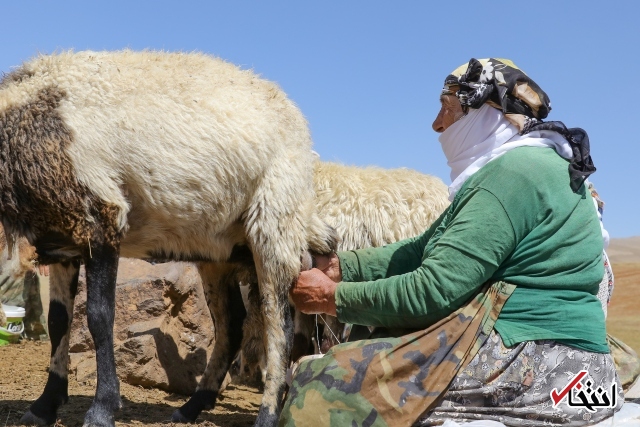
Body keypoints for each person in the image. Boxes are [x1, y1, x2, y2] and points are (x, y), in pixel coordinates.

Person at [280, 58, 623, 427]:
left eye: (447, 109)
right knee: (375, 342)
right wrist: (339, 267)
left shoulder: (510, 177)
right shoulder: (531, 165)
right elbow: (420, 249)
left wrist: (332, 299)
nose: (437, 124)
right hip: (581, 370)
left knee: (315, 392)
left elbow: (433, 291)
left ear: (487, 112)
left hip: (544, 365)